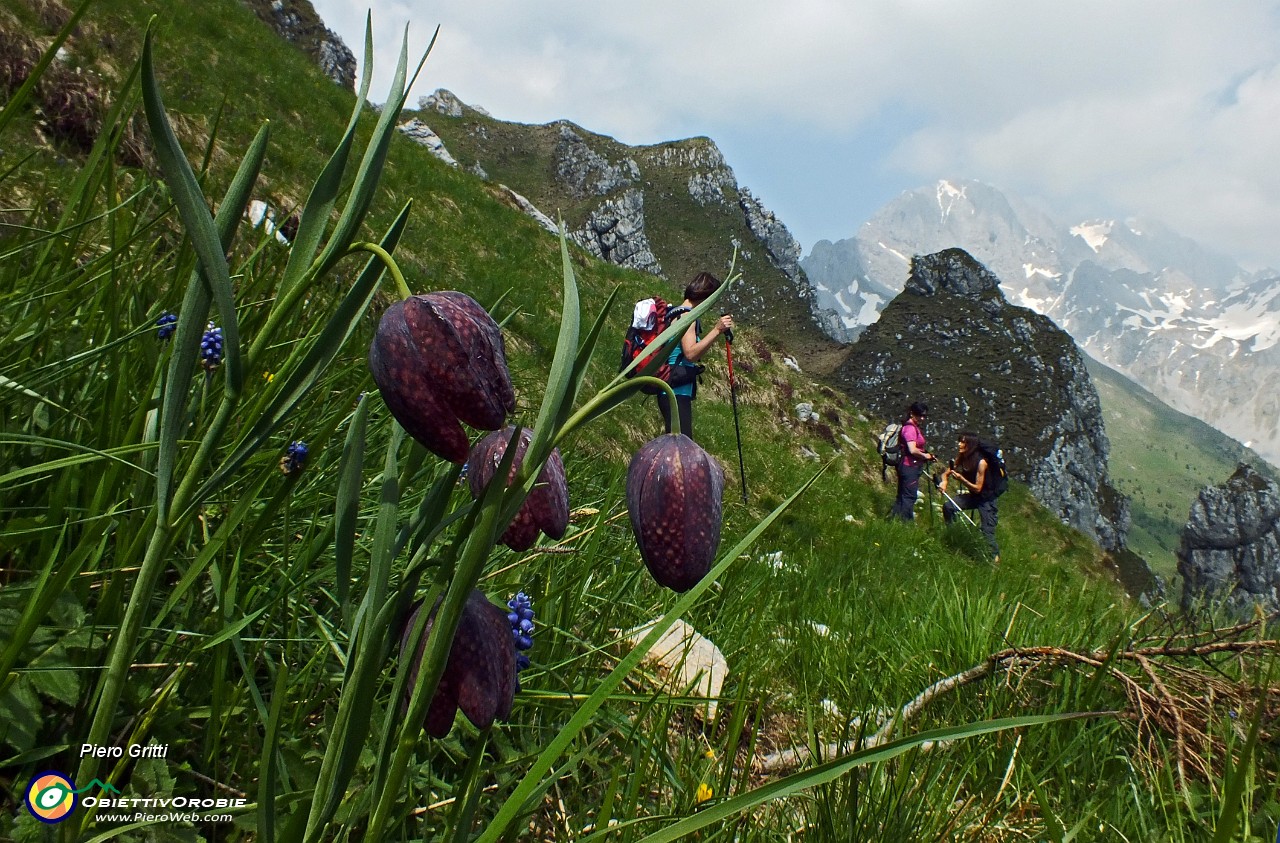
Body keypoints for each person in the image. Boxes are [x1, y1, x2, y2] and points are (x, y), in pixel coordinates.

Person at [656, 272, 734, 442]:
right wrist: (717, 330)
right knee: (681, 446)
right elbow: (690, 353)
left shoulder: (674, 312)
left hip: (670, 388)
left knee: (677, 444)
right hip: (675, 391)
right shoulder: (687, 316)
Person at [938, 431, 1000, 564]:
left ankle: (994, 560)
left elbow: (978, 488)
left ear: (970, 445)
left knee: (987, 532)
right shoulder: (962, 456)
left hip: (987, 499)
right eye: (959, 441)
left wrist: (961, 479)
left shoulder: (981, 462)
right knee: (948, 507)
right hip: (974, 496)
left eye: (963, 442)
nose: (959, 444)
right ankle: (954, 536)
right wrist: (944, 481)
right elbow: (947, 472)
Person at [890, 401, 934, 521]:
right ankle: (906, 524)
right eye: (920, 415)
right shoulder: (909, 429)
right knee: (909, 496)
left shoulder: (912, 427)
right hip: (909, 466)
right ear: (912, 413)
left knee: (902, 495)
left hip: (908, 465)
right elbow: (913, 450)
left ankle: (893, 520)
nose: (922, 418)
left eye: (924, 416)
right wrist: (926, 457)